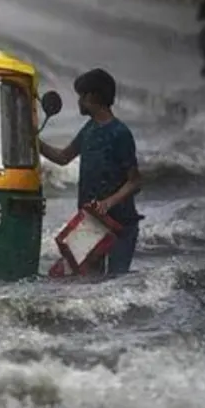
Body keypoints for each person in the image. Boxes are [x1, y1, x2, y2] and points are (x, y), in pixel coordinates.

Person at [39, 69, 142, 276]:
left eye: (81, 96)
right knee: (78, 281)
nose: (78, 102)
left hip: (120, 225)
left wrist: (107, 203)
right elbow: (63, 157)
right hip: (91, 221)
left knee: (116, 283)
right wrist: (34, 143)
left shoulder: (120, 133)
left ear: (92, 97)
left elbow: (135, 181)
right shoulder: (90, 128)